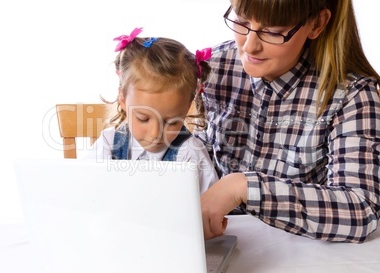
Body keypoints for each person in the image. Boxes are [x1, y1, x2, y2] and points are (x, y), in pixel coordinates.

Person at [198, 0, 380, 243]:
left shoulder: (352, 95)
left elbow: (361, 211)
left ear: (316, 24)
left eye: (273, 32)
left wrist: (244, 187)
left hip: (296, 253)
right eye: (242, 22)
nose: (250, 46)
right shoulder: (211, 68)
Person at [85, 27, 218, 193]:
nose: (155, 133)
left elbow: (209, 208)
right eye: (143, 118)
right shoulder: (108, 145)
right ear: (123, 99)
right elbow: (85, 192)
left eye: (171, 122)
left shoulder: (190, 153)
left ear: (188, 107)